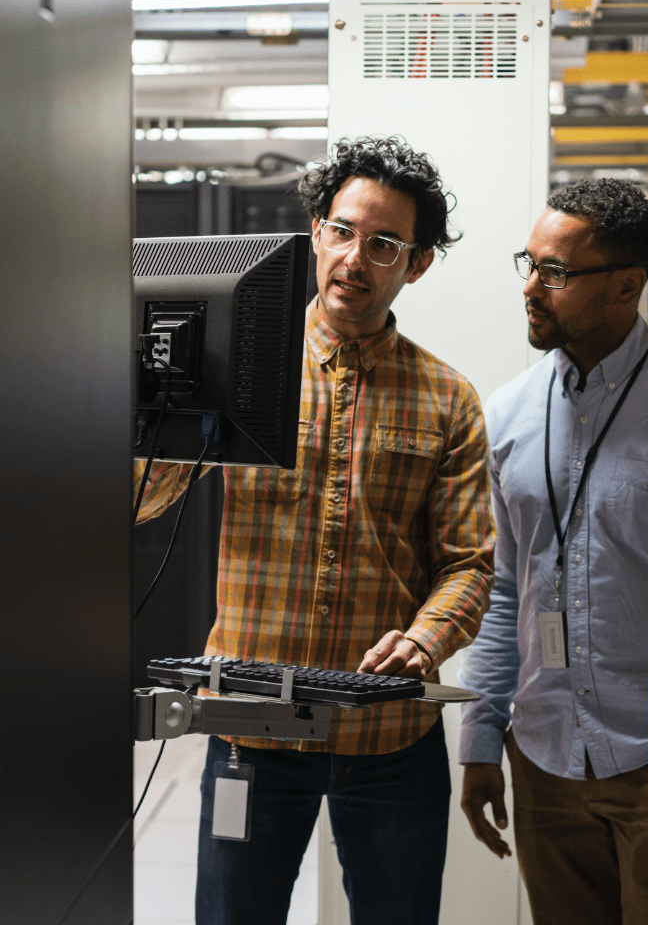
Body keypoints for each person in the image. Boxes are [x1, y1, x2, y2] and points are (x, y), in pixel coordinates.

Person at [136, 136, 495, 925]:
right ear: (315, 231)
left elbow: (470, 564)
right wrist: (150, 405)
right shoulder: (240, 365)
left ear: (418, 263)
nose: (354, 259)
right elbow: (142, 504)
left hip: (389, 735)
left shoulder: (448, 399)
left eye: (384, 244)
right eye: (340, 231)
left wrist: (428, 639)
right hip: (249, 728)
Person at [458, 178, 648, 925]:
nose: (530, 288)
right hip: (543, 760)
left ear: (626, 287)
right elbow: (507, 589)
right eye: (529, 263)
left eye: (556, 272)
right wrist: (481, 740)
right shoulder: (508, 414)